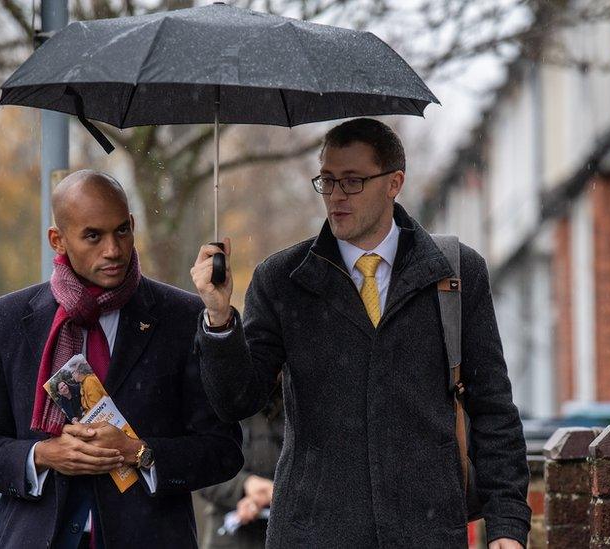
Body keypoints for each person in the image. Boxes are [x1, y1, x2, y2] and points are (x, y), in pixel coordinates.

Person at [191, 118, 530, 548]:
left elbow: (494, 408)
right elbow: (237, 400)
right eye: (327, 181)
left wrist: (507, 525)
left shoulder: (455, 274)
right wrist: (220, 318)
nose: (335, 196)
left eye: (352, 182)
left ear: (394, 183)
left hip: (427, 531)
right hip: (314, 534)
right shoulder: (282, 280)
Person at [0, 169, 243, 549]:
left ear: (132, 224)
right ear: (57, 240)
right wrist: (43, 455)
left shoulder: (181, 317)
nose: (113, 249)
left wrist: (138, 452)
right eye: (93, 236)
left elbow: (222, 450)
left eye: (121, 231)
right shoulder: (7, 320)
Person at [198, 383, 284, 549]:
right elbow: (201, 470)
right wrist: (245, 485)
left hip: (285, 535)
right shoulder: (222, 405)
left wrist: (279, 491)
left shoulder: (302, 408)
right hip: (229, 538)